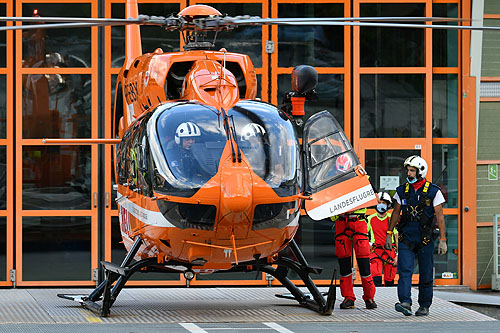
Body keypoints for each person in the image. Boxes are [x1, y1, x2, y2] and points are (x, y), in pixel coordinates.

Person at [384, 155, 447, 317]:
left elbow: (440, 217)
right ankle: (405, 302)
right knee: (404, 271)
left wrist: (443, 240)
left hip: (425, 239)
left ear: (420, 172)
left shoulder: (434, 192)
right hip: (406, 238)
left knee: (426, 273)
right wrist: (389, 234)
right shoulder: (401, 191)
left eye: (412, 171)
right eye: (408, 170)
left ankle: (424, 305)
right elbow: (395, 213)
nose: (409, 173)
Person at [331, 160, 377, 310]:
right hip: (341, 223)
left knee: (364, 263)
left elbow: (374, 197)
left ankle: (369, 298)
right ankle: (348, 298)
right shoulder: (333, 182)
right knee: (344, 264)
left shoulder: (363, 179)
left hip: (358, 223)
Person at [367, 192, 398, 287]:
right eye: (379, 202)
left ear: (388, 205)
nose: (381, 204)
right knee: (375, 276)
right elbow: (363, 234)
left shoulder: (392, 218)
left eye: (384, 203)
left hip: (390, 252)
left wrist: (397, 255)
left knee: (390, 278)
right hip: (375, 251)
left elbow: (396, 237)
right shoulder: (370, 218)